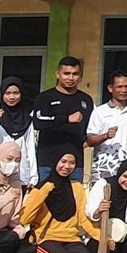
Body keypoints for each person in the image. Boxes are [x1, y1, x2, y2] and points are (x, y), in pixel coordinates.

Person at [20, 152, 102, 253]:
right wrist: (44, 191)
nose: (67, 166)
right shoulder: (42, 187)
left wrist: (102, 237)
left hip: (71, 238)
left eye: (72, 163)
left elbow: (84, 219)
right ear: (55, 162)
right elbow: (25, 218)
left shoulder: (77, 187)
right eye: (63, 161)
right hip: (45, 238)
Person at [31, 57, 94, 185]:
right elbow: (38, 122)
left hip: (74, 163)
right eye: (66, 73)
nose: (71, 78)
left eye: (75, 74)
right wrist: (66, 119)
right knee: (43, 201)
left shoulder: (86, 100)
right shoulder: (45, 97)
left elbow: (89, 129)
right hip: (47, 161)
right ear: (58, 74)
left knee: (73, 202)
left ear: (80, 76)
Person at [86, 70, 127, 182]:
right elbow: (90, 141)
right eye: (119, 87)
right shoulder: (99, 111)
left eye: (126, 86)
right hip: (102, 167)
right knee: (103, 199)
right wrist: (105, 136)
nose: (123, 90)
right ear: (110, 88)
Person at [0, 76, 36, 188]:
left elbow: (30, 148)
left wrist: (33, 176)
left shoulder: (27, 119)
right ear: (2, 94)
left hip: (21, 176)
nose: (11, 97)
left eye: (16, 93)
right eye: (7, 93)